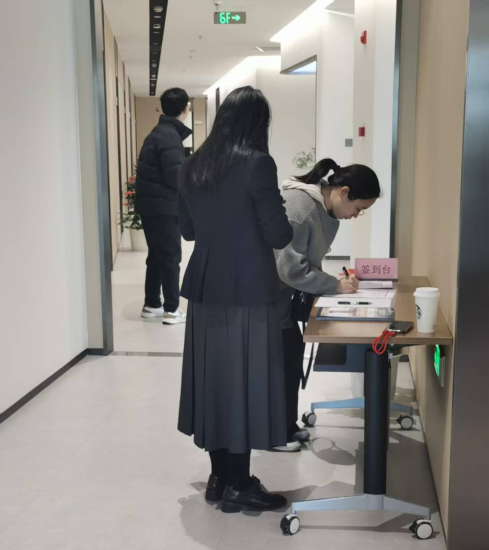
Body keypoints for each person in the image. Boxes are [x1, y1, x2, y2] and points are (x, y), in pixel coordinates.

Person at [177, 86, 293, 513]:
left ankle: (220, 477)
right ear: (257, 123)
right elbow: (278, 233)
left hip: (206, 288)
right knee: (244, 381)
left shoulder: (192, 165)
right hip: (248, 289)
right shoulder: (258, 163)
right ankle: (240, 484)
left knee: (214, 380)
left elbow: (188, 230)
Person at [274, 159, 381, 451]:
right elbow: (291, 269)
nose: (357, 215)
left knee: (290, 358)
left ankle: (284, 426)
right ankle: (275, 433)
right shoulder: (300, 209)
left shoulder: (323, 209)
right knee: (280, 362)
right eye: (359, 208)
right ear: (343, 192)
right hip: (264, 298)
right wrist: (333, 285)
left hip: (281, 298)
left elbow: (308, 259)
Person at [135, 88, 192, 325]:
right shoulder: (169, 136)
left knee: (157, 256)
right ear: (185, 108)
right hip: (163, 207)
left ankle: (152, 304)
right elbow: (175, 176)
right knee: (170, 256)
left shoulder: (159, 132)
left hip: (152, 206)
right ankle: (172, 309)